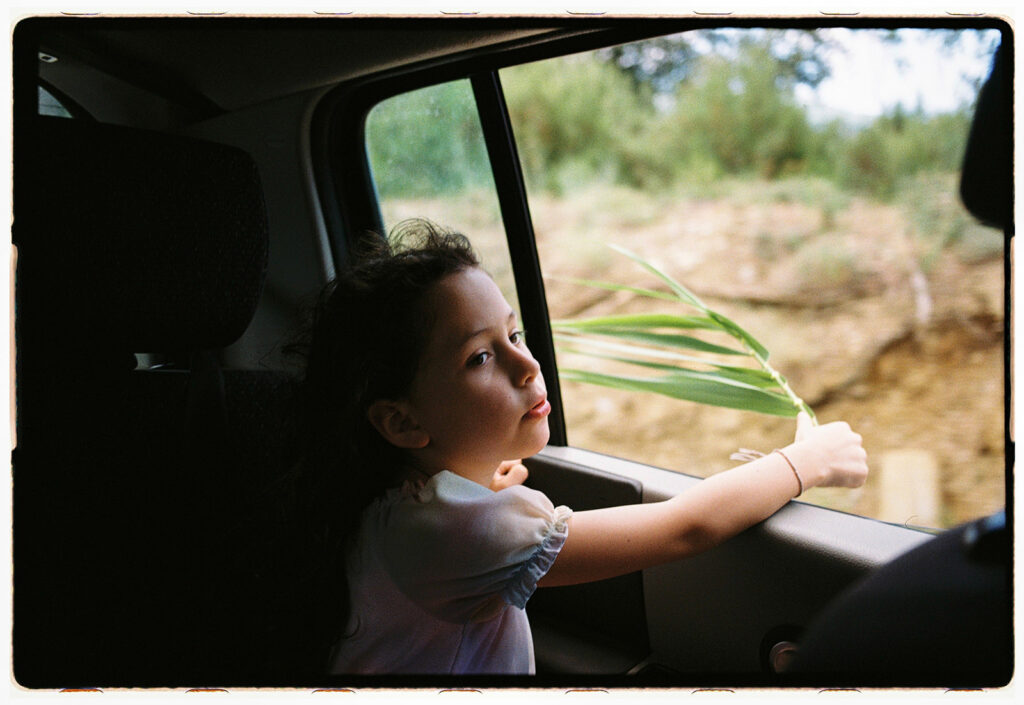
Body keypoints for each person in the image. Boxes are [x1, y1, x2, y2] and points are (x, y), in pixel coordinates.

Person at [291, 219, 868, 676]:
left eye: (513, 334)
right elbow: (685, 527)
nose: (527, 363)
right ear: (401, 421)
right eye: (480, 357)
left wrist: (483, 484)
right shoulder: (451, 534)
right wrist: (806, 461)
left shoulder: (401, 507)